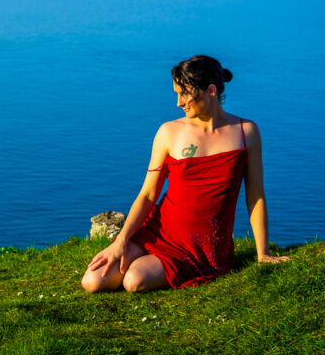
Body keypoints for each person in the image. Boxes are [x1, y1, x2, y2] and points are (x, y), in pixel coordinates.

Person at [82, 55, 290, 293]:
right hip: (158, 231)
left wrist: (263, 254)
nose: (179, 102)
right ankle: (139, 256)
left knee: (134, 281)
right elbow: (148, 195)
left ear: (211, 90)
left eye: (184, 94)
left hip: (201, 248)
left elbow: (255, 196)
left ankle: (158, 265)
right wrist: (121, 241)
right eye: (176, 94)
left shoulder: (246, 132)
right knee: (92, 281)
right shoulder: (169, 132)